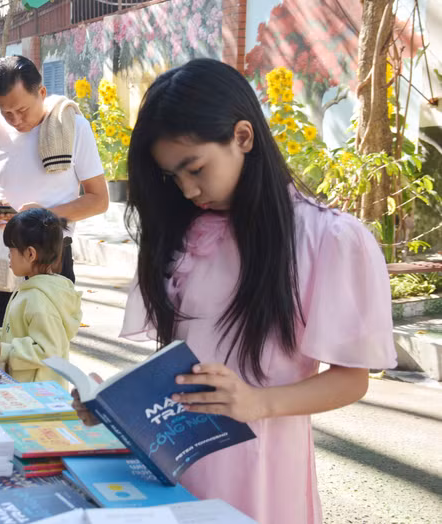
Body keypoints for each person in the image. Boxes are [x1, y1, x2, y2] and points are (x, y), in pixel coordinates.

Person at [71, 59, 396, 524]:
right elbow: (187, 365)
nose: (187, 189)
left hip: (261, 469)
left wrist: (258, 402)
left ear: (243, 137)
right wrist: (120, 405)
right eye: (173, 177)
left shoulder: (327, 239)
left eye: (195, 168)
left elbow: (352, 378)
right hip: (174, 462)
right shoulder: (184, 235)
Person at [0, 55, 109, 329]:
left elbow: (99, 199)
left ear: (41, 93)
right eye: (6, 111)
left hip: (50, 258)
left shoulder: (71, 127)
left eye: (22, 110)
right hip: (2, 255)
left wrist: (44, 215)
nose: (15, 120)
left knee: (40, 353)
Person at [0, 208, 82, 386]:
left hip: (39, 394)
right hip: (28, 388)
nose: (8, 257)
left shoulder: (40, 300)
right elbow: (21, 335)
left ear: (31, 254)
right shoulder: (31, 289)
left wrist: (2, 351)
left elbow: (47, 351)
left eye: (11, 251)